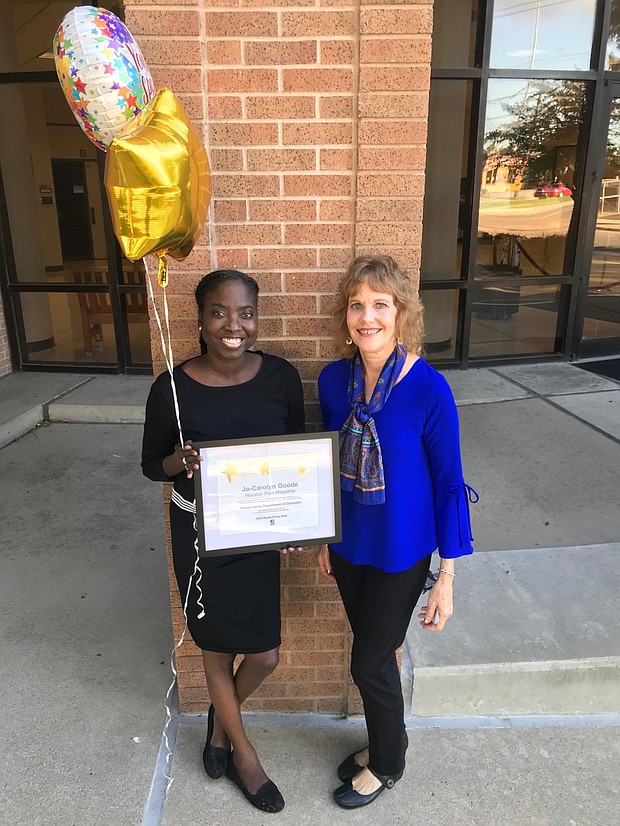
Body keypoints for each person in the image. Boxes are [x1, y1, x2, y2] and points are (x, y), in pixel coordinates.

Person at [141, 269, 305, 814]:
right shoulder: (172, 387)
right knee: (216, 650)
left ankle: (217, 726)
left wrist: (295, 522)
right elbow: (150, 465)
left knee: (265, 655)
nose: (233, 325)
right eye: (219, 312)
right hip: (199, 537)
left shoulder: (281, 376)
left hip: (257, 536)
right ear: (201, 319)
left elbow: (297, 461)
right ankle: (243, 756)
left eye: (245, 313)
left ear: (256, 318)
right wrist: (177, 461)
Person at [317, 255, 477, 810]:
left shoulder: (429, 390)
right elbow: (326, 467)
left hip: (403, 551)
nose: (368, 317)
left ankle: (389, 763)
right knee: (379, 659)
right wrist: (322, 536)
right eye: (357, 305)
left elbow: (450, 483)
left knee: (367, 663)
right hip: (348, 546)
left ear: (401, 314)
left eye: (380, 305)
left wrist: (447, 577)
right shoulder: (334, 381)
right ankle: (387, 738)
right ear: (346, 315)